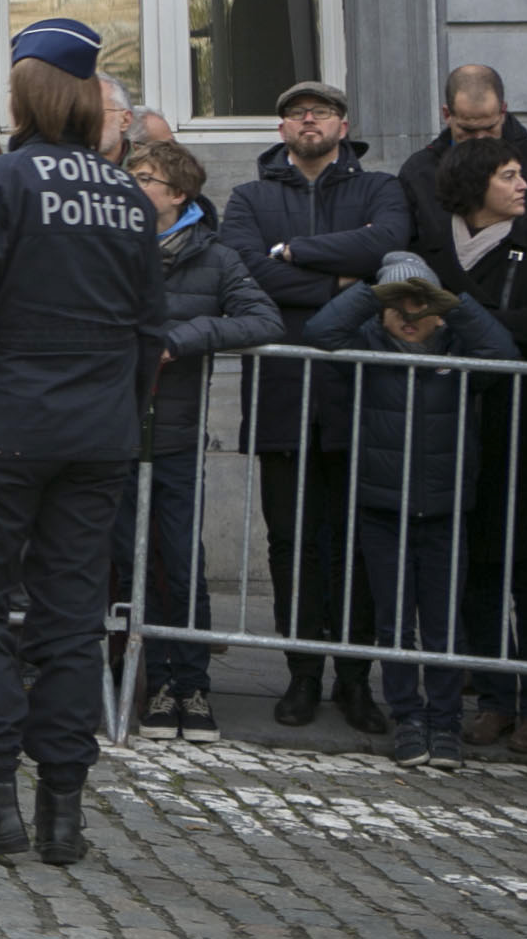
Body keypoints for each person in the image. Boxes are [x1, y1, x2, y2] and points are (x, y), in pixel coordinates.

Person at [0, 17, 165, 866]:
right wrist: (119, 421)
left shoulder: (4, 182)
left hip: (6, 428)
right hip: (98, 436)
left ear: (25, 90)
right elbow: (147, 329)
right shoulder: (126, 194)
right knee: (69, 620)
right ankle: (63, 815)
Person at [219, 79, 408, 735]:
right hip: (283, 397)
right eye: (296, 112)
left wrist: (295, 254)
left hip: (361, 395)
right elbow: (244, 271)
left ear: (342, 122)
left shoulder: (379, 188)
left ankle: (356, 679)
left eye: (320, 111)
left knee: (356, 545)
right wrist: (342, 282)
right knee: (292, 543)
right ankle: (302, 674)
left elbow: (387, 247)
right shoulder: (249, 197)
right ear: (281, 129)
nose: (308, 119)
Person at [305, 254, 518, 769]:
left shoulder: (460, 349)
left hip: (446, 509)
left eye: (421, 302)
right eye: (397, 303)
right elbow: (319, 331)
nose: (409, 312)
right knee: (394, 624)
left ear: (440, 310)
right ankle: (408, 718)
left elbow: (503, 350)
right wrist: (373, 291)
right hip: (383, 508)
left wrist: (456, 305)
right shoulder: (366, 349)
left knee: (445, 626)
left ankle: (444, 722)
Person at [403, 138, 527, 756]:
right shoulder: (425, 255)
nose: (524, 185)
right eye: (509, 176)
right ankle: (495, 700)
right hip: (453, 429)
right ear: (477, 186)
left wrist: (457, 317)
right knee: (474, 572)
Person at [117, 139, 280, 741]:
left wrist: (182, 338)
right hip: (114, 430)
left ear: (178, 193)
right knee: (128, 561)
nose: (134, 185)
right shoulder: (111, 245)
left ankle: (189, 685)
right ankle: (150, 680)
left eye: (146, 177)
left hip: (178, 436)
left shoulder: (215, 257)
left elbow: (263, 319)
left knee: (181, 562)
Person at [397, 65, 527, 244]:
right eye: (468, 130)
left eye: (489, 128)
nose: (480, 139)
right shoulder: (418, 171)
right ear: (447, 115)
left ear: (503, 111)